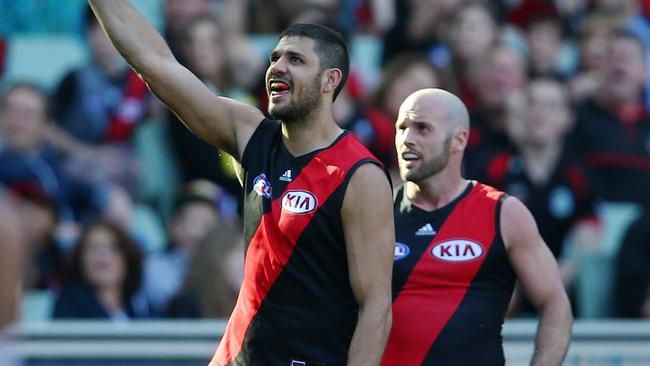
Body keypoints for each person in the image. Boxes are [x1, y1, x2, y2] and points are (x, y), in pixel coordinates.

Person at [88, 2, 395, 365]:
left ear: (330, 80)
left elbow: (375, 308)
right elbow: (156, 65)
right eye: (275, 57)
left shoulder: (359, 174)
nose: (277, 67)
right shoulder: (251, 135)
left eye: (295, 60)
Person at [382, 89, 572, 366]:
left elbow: (555, 301)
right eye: (402, 128)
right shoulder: (377, 211)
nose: (407, 139)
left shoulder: (502, 213)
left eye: (422, 129)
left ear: (459, 140)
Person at [52, 219, 149, 320]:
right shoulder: (68, 305)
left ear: (127, 258)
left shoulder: (140, 306)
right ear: (80, 259)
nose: (102, 255)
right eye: (94, 248)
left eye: (113, 247)